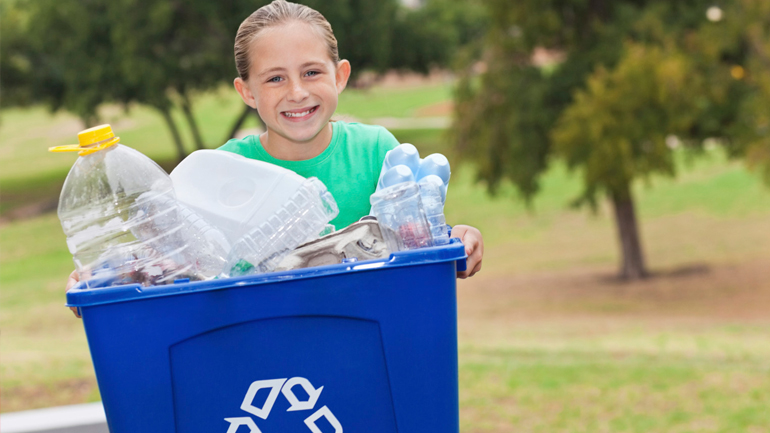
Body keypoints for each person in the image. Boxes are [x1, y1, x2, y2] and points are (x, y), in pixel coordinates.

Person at [66, 0, 483, 316]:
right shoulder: (221, 171)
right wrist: (103, 283)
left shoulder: (376, 151)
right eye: (275, 78)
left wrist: (457, 238)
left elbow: (417, 242)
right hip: (259, 352)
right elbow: (177, 269)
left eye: (312, 72)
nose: (297, 92)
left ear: (340, 76)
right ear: (247, 91)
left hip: (368, 336)